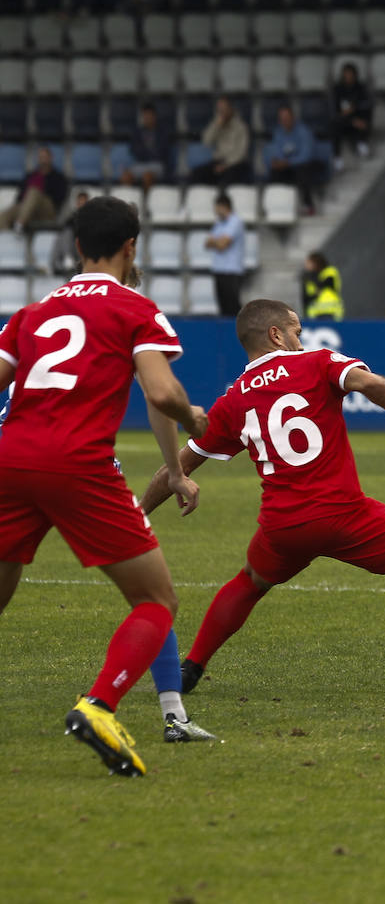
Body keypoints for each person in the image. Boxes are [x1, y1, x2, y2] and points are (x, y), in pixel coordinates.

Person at [139, 298, 385, 704]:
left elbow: (175, 469)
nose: (300, 340)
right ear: (276, 334)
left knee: (250, 581)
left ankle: (191, 667)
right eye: (296, 331)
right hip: (344, 516)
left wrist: (137, 514)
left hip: (283, 528)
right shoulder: (317, 362)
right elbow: (372, 385)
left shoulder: (233, 401)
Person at [0, 195, 208, 776]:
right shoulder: (135, 309)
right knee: (156, 599)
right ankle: (99, 705)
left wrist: (174, 469)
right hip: (77, 464)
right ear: (131, 247)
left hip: (10, 459)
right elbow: (162, 394)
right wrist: (196, 422)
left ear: (75, 248)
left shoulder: (31, 314)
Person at [264, 106, 320, 215]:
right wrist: (279, 162)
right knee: (274, 172)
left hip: (304, 165)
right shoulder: (278, 132)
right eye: (282, 119)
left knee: (302, 171)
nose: (285, 121)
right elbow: (276, 151)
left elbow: (306, 155)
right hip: (287, 166)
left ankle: (308, 205)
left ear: (293, 118)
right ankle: (276, 205)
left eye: (287, 118)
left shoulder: (303, 131)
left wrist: (288, 162)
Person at [0, 146, 68, 232]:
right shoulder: (30, 176)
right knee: (5, 214)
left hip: (46, 210)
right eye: (41, 157)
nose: (43, 160)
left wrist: (40, 196)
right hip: (27, 209)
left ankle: (19, 225)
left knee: (33, 192)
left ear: (51, 158)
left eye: (45, 157)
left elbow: (59, 199)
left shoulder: (59, 177)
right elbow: (20, 197)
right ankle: (8, 240)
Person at [189, 97, 251, 186]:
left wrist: (226, 165)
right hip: (219, 161)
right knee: (196, 175)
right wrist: (216, 126)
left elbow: (241, 153)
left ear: (231, 109)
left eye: (224, 109)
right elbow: (206, 141)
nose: (222, 112)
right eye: (219, 109)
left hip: (236, 163)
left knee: (226, 179)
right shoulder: (216, 123)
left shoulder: (241, 127)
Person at [205, 192, 245, 317]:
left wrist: (215, 242)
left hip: (231, 270)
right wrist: (218, 242)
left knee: (233, 306)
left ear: (224, 206)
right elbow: (207, 243)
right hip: (219, 269)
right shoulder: (218, 222)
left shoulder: (235, 221)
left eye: (217, 207)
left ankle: (237, 333)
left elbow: (223, 245)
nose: (215, 210)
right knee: (222, 307)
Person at [121, 103, 175, 191]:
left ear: (155, 116)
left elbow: (162, 152)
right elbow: (134, 150)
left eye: (150, 115)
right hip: (141, 164)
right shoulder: (137, 132)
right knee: (125, 176)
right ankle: (128, 200)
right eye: (145, 115)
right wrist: (150, 152)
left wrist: (145, 152)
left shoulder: (163, 132)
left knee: (147, 176)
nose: (147, 118)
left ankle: (145, 201)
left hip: (157, 164)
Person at [330, 61, 374, 169]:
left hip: (358, 119)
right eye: (346, 74)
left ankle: (362, 143)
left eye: (350, 74)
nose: (348, 77)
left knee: (365, 115)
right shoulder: (338, 89)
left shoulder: (361, 88)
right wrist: (350, 118)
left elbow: (367, 104)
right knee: (335, 122)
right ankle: (337, 157)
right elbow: (335, 110)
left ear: (355, 75)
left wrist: (354, 108)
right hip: (343, 122)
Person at [49, 189, 89, 276]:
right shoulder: (72, 217)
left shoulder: (92, 218)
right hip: (72, 246)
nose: (81, 205)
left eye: (83, 202)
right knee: (62, 235)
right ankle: (65, 259)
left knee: (64, 236)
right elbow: (66, 226)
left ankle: (59, 263)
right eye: (79, 202)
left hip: (84, 249)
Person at [302, 250, 343, 320]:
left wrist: (310, 277)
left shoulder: (330, 271)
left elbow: (326, 283)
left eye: (309, 262)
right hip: (314, 314)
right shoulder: (308, 277)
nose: (306, 265)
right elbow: (306, 298)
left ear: (315, 263)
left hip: (330, 311)